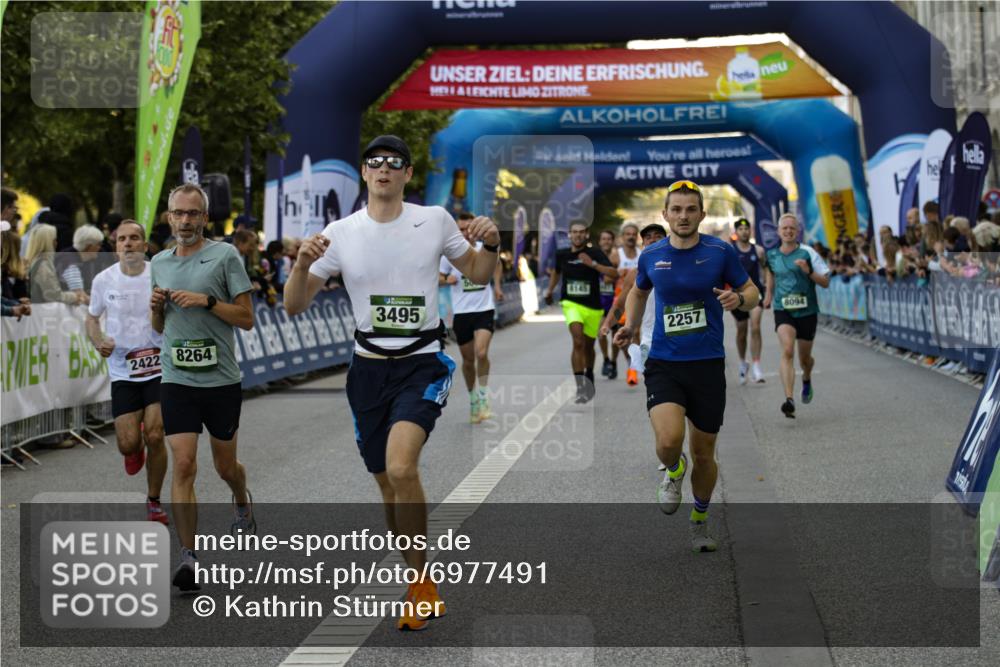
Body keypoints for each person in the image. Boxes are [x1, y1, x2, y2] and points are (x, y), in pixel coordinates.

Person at [283, 135, 499, 631]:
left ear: (406, 174)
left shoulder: (435, 220)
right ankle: (413, 573)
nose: (383, 169)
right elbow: (295, 305)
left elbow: (477, 272)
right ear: (364, 173)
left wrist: (491, 243)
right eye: (375, 162)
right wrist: (299, 264)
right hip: (368, 370)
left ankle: (421, 583)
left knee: (402, 469)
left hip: (422, 362)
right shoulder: (340, 232)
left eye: (394, 163)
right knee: (386, 484)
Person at [614, 180, 759, 553]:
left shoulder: (719, 251)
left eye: (690, 209)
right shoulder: (651, 255)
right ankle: (673, 471)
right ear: (665, 214)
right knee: (667, 441)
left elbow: (753, 293)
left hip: (708, 364)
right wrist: (630, 326)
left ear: (701, 214)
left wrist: (738, 297)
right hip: (665, 362)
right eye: (676, 209)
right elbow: (638, 291)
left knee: (704, 454)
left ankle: (699, 518)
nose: (683, 216)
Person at [149, 183, 256, 592]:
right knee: (184, 464)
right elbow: (159, 327)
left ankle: (242, 502)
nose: (185, 221)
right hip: (177, 378)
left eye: (193, 214)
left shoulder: (225, 256)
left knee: (225, 467)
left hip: (221, 380)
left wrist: (207, 301)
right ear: (169, 217)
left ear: (205, 218)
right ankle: (188, 556)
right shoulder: (158, 262)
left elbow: (246, 318)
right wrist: (157, 309)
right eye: (178, 213)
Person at [87, 221, 168, 524]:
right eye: (123, 239)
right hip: (123, 369)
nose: (129, 243)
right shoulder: (103, 280)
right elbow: (92, 318)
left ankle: (154, 501)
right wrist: (98, 340)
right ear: (116, 246)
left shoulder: (157, 274)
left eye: (135, 238)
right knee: (127, 443)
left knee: (157, 434)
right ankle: (135, 449)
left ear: (145, 246)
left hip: (159, 366)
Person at [763, 213, 831, 419]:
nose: (788, 231)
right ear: (778, 231)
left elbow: (825, 282)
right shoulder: (772, 255)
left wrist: (808, 271)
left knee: (804, 359)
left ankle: (807, 377)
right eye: (784, 228)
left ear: (797, 231)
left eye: (792, 228)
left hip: (807, 311)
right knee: (787, 350)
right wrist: (767, 296)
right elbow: (771, 278)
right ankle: (789, 399)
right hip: (783, 309)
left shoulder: (808, 252)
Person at [439, 211, 504, 424]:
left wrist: (497, 286)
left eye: (468, 228)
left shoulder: (482, 248)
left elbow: (498, 264)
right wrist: (446, 279)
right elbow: (438, 275)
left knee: (481, 352)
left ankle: (484, 396)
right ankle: (474, 399)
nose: (465, 233)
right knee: (468, 360)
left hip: (484, 309)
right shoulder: (451, 254)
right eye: (461, 229)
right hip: (462, 312)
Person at [544, 220, 618, 403]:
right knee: (577, 341)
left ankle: (590, 374)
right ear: (569, 234)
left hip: (593, 306)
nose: (577, 235)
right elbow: (556, 273)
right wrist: (549, 290)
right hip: (571, 303)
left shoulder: (595, 253)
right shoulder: (562, 254)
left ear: (586, 235)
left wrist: (593, 264)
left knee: (588, 346)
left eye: (581, 232)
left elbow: (613, 273)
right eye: (574, 232)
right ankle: (580, 386)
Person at [600, 221, 667, 397]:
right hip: (650, 339)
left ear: (667, 241)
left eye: (658, 237)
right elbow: (620, 303)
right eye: (648, 237)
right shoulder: (636, 274)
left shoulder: (680, 267)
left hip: (678, 337)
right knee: (659, 390)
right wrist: (608, 324)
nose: (652, 240)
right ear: (643, 244)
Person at [729, 218, 768, 384]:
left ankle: (757, 366)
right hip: (737, 296)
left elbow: (766, 269)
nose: (744, 231)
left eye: (747, 229)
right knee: (742, 331)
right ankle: (743, 362)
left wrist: (766, 288)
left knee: (756, 327)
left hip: (756, 293)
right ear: (736, 232)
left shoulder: (758, 250)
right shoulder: (730, 251)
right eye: (741, 229)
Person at [24, 223, 87, 306]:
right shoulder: (43, 265)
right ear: (48, 242)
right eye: (54, 240)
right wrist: (75, 297)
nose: (56, 243)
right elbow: (53, 295)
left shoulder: (35, 261)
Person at [615, 222, 641, 384]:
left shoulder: (642, 254)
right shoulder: (615, 255)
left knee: (636, 333)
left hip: (638, 301)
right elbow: (606, 278)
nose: (631, 236)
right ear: (622, 237)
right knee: (624, 337)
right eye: (627, 234)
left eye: (633, 234)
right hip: (620, 301)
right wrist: (615, 274)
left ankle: (633, 368)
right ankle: (630, 360)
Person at [596, 229, 618, 379]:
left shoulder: (617, 258)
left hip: (615, 302)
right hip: (600, 302)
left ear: (613, 241)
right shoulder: (595, 258)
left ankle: (614, 362)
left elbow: (618, 277)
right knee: (601, 334)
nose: (606, 242)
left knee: (616, 336)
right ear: (599, 241)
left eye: (609, 239)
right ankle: (605, 359)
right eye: (603, 239)